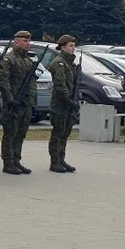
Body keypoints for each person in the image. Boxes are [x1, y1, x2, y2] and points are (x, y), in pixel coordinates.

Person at [0, 30, 37, 175]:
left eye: (29, 41)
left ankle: (16, 160)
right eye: (25, 41)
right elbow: (3, 80)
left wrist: (32, 101)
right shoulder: (9, 59)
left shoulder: (27, 60)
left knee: (21, 133)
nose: (28, 44)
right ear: (16, 42)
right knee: (10, 133)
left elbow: (31, 83)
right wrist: (9, 98)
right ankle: (8, 162)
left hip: (25, 103)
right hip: (13, 102)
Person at [47, 34, 80, 173]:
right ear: (62, 47)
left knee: (65, 132)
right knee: (58, 133)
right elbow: (60, 84)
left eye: (74, 46)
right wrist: (68, 100)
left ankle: (61, 159)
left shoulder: (70, 63)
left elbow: (72, 84)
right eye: (71, 46)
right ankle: (54, 161)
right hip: (60, 103)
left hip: (68, 103)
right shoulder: (59, 62)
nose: (73, 48)